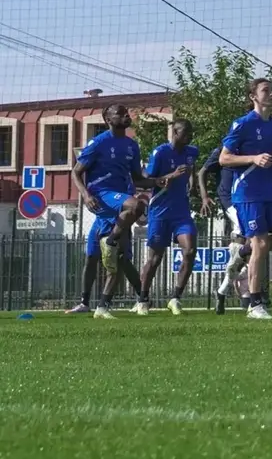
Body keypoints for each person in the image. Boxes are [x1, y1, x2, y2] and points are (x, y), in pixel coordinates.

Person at [71, 104, 157, 319]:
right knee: (136, 207)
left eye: (126, 111)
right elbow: (76, 172)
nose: (126, 115)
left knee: (111, 258)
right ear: (108, 119)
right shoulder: (98, 143)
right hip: (103, 195)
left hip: (118, 204)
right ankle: (85, 301)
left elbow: (138, 178)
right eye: (120, 113)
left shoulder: (131, 146)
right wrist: (86, 195)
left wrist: (160, 181)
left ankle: (126, 301)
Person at [219, 78, 272, 320]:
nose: (271, 94)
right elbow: (224, 159)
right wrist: (252, 158)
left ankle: (243, 252)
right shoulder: (242, 124)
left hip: (271, 193)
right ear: (253, 96)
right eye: (266, 91)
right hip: (248, 194)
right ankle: (254, 303)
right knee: (261, 245)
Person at [135, 119, 202, 315]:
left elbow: (191, 167)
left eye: (191, 132)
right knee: (155, 259)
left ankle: (175, 298)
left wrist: (192, 182)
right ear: (175, 132)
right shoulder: (161, 153)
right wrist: (170, 177)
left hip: (181, 211)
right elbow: (146, 180)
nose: (189, 136)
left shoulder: (191, 152)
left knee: (189, 250)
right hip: (160, 211)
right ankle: (143, 299)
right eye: (185, 132)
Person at [199, 144, 249, 314]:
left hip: (247, 199)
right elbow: (202, 172)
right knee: (253, 236)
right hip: (230, 201)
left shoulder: (251, 149)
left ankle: (222, 291)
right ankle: (245, 287)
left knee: (249, 242)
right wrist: (204, 197)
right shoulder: (221, 150)